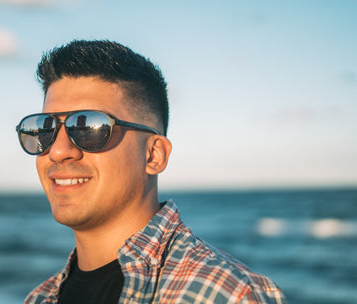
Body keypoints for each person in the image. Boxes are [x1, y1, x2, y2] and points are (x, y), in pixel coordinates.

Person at [16, 40, 287, 304]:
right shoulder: (40, 297)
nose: (58, 151)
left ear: (154, 155)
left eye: (89, 128)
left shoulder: (228, 294)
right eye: (45, 129)